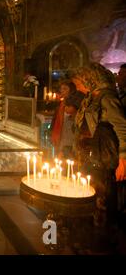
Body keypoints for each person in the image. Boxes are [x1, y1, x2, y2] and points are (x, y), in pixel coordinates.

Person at [72, 63, 126, 250]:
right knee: (89, 195)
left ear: (89, 79)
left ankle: (102, 241)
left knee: (102, 197)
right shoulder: (92, 96)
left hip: (101, 157)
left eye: (78, 82)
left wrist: (123, 159)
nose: (77, 87)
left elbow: (121, 127)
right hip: (89, 156)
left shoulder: (107, 98)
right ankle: (87, 235)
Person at [50, 80, 77, 155]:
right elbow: (56, 121)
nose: (62, 91)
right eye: (61, 89)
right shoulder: (62, 103)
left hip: (69, 139)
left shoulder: (73, 105)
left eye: (65, 89)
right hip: (60, 138)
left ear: (71, 91)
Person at [58, 90, 85, 159]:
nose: (65, 108)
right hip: (69, 152)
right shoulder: (68, 118)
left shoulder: (85, 123)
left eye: (68, 106)